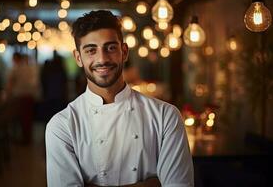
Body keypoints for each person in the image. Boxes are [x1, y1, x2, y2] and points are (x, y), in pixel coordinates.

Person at [45, 10, 194, 187]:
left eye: (111, 48)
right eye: (91, 50)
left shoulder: (165, 116)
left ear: (124, 51)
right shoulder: (62, 125)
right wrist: (151, 184)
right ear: (78, 58)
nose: (102, 59)